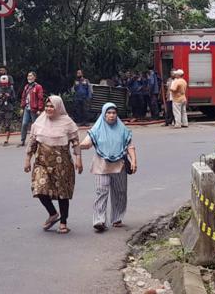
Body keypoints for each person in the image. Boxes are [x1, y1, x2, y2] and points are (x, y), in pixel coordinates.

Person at [24, 96, 82, 234]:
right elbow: (33, 142)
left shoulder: (67, 122)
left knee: (63, 193)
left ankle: (63, 222)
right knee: (39, 188)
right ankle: (52, 213)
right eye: (47, 106)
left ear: (58, 107)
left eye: (52, 106)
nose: (49, 109)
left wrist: (78, 158)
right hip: (42, 162)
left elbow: (75, 141)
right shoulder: (40, 121)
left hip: (62, 164)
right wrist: (27, 158)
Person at [81, 103, 136, 232]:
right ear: (103, 114)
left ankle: (117, 218)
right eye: (108, 113)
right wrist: (77, 144)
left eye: (114, 113)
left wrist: (134, 161)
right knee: (101, 192)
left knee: (120, 192)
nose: (111, 115)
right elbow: (87, 143)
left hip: (119, 166)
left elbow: (130, 146)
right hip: (102, 165)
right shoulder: (97, 129)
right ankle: (99, 220)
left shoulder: (122, 129)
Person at [20, 71, 46, 146]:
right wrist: (22, 107)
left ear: (34, 77)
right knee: (24, 124)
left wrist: (40, 109)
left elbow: (40, 98)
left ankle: (37, 140)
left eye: (31, 76)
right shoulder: (26, 86)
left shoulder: (38, 87)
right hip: (27, 108)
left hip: (34, 109)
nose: (29, 77)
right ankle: (22, 140)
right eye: (28, 76)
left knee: (35, 125)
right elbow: (23, 97)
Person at [0, 75, 16, 146]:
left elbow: (14, 100)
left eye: (5, 83)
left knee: (8, 125)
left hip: (8, 109)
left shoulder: (11, 89)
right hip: (0, 109)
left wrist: (9, 96)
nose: (4, 85)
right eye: (3, 83)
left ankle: (6, 140)